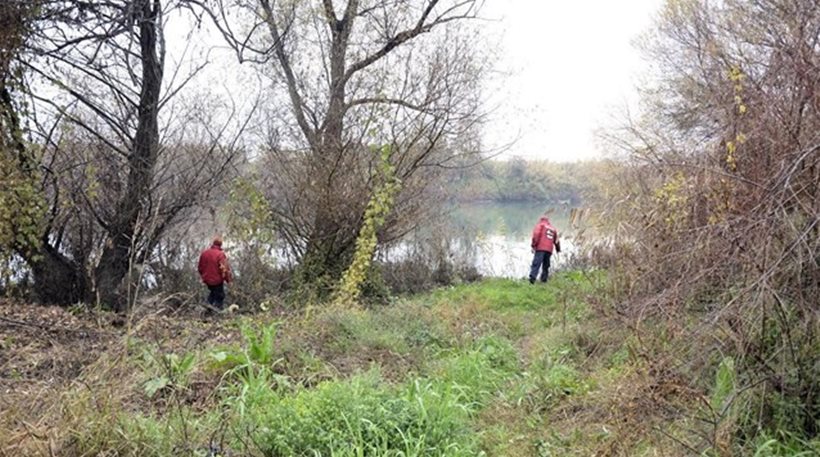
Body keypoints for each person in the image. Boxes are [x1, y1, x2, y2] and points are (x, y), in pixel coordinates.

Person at [198, 235, 232, 310]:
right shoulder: (220, 254)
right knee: (220, 296)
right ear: (221, 244)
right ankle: (217, 313)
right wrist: (228, 280)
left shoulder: (204, 253)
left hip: (207, 279)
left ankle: (207, 310)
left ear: (213, 243)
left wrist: (204, 277)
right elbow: (224, 269)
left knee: (213, 294)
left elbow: (200, 268)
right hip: (217, 280)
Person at [529, 215, 561, 284]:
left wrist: (533, 246)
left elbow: (536, 235)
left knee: (536, 263)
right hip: (549, 250)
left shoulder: (540, 225)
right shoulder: (553, 228)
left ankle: (532, 278)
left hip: (540, 248)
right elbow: (557, 240)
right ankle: (544, 280)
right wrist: (558, 249)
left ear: (541, 220)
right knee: (546, 265)